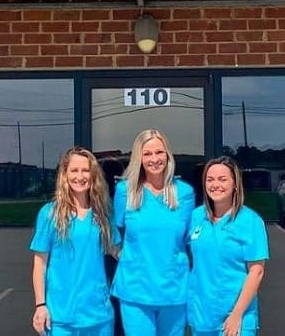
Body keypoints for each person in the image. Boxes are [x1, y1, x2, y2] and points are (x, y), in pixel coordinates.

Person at [111, 129, 195, 336]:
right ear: (138, 158)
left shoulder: (184, 193)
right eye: (147, 154)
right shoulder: (125, 191)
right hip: (135, 290)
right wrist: (122, 255)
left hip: (174, 290)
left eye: (159, 152)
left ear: (168, 155)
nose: (154, 159)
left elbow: (190, 240)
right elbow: (114, 232)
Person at [30, 147, 119, 336]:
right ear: (65, 174)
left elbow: (117, 251)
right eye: (74, 170)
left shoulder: (104, 213)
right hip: (61, 318)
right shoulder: (50, 214)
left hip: (99, 316)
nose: (80, 176)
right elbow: (40, 264)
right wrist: (40, 305)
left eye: (86, 170)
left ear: (93, 175)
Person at [187, 156, 269, 336]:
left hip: (236, 319)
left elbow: (257, 271)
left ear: (235, 184)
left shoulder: (250, 221)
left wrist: (236, 314)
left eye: (223, 179)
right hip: (202, 316)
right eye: (210, 180)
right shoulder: (196, 217)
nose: (216, 184)